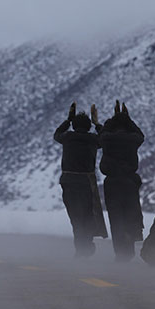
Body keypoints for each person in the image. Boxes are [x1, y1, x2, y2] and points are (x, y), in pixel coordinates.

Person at [54, 102, 108, 257]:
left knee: (75, 216)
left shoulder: (68, 137)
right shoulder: (93, 140)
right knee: (87, 215)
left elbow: (56, 134)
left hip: (68, 181)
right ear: (89, 127)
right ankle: (87, 244)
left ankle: (81, 248)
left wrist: (68, 120)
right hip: (86, 182)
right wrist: (97, 123)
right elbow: (104, 138)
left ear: (74, 125)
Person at [98, 101, 145, 262]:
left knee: (115, 217)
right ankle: (129, 248)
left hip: (112, 182)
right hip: (129, 181)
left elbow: (101, 133)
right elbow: (141, 135)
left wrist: (113, 119)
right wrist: (127, 118)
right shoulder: (132, 139)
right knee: (130, 214)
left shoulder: (106, 138)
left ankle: (120, 253)